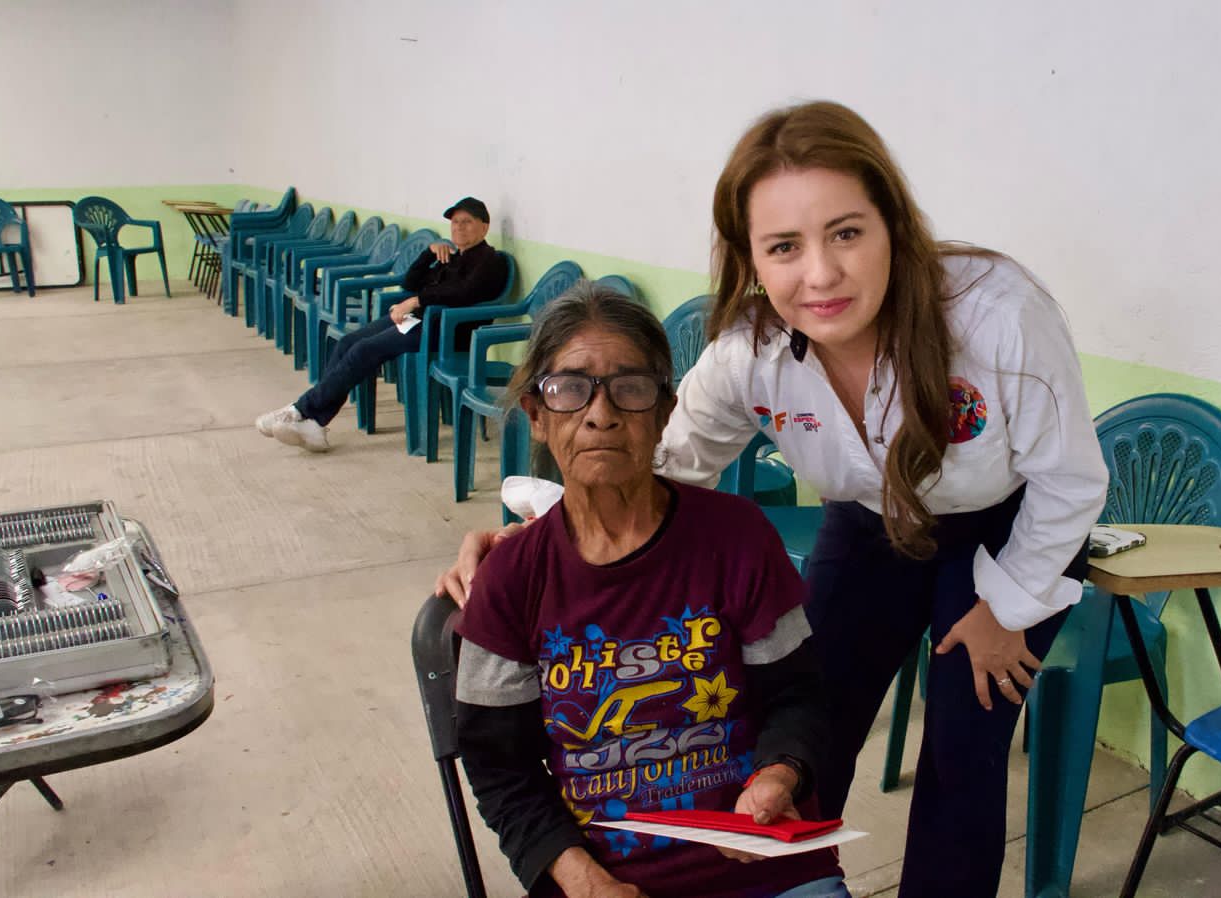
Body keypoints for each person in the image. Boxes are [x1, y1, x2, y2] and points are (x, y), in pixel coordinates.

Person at [438, 102, 1108, 897]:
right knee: (814, 720)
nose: (819, 275)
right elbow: (659, 462)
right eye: (784, 246)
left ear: (893, 225)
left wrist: (1009, 609)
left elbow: (1071, 479)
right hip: (868, 521)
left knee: (965, 739)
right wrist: (539, 538)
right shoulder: (747, 354)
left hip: (1007, 527)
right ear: (751, 257)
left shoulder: (997, 316)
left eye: (846, 232)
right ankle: (795, 879)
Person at [454, 280, 850, 898]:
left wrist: (778, 775)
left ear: (666, 411)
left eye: (631, 387)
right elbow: (500, 771)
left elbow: (798, 697)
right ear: (536, 416)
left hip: (762, 865)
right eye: (569, 389)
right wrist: (585, 881)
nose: (601, 413)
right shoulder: (511, 580)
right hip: (604, 881)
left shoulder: (738, 538)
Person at [254, 196, 509, 451]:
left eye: (467, 222)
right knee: (348, 342)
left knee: (363, 350)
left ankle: (300, 411)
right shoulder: (450, 257)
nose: (459, 227)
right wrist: (428, 253)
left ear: (484, 227)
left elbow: (464, 293)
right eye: (455, 222)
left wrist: (415, 301)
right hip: (419, 320)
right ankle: (315, 423)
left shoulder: (490, 260)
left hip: (446, 331)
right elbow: (409, 282)